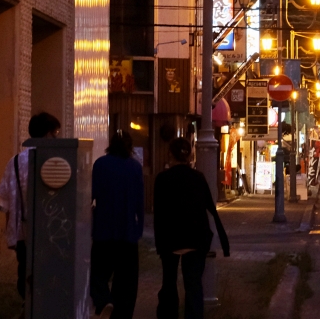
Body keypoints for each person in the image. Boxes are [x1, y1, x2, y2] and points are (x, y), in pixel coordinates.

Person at [154, 138, 230, 319]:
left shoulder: (162, 179)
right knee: (194, 285)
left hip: (170, 239)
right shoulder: (198, 177)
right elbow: (209, 206)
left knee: (169, 283)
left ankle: (168, 315)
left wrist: (160, 244)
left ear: (170, 154)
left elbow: (159, 212)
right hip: (196, 238)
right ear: (189, 155)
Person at [0, 112, 61, 299]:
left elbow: (5, 203)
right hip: (52, 233)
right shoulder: (55, 162)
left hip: (23, 233)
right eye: (54, 133)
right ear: (48, 134)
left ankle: (29, 308)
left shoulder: (15, 162)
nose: (56, 137)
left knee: (26, 279)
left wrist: (13, 235)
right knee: (49, 281)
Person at [90, 131, 144, 319]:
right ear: (129, 147)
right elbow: (140, 201)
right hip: (127, 231)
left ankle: (104, 301)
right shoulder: (135, 168)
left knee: (99, 274)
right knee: (127, 281)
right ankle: (122, 313)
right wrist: (139, 229)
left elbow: (92, 194)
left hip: (103, 229)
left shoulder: (100, 165)